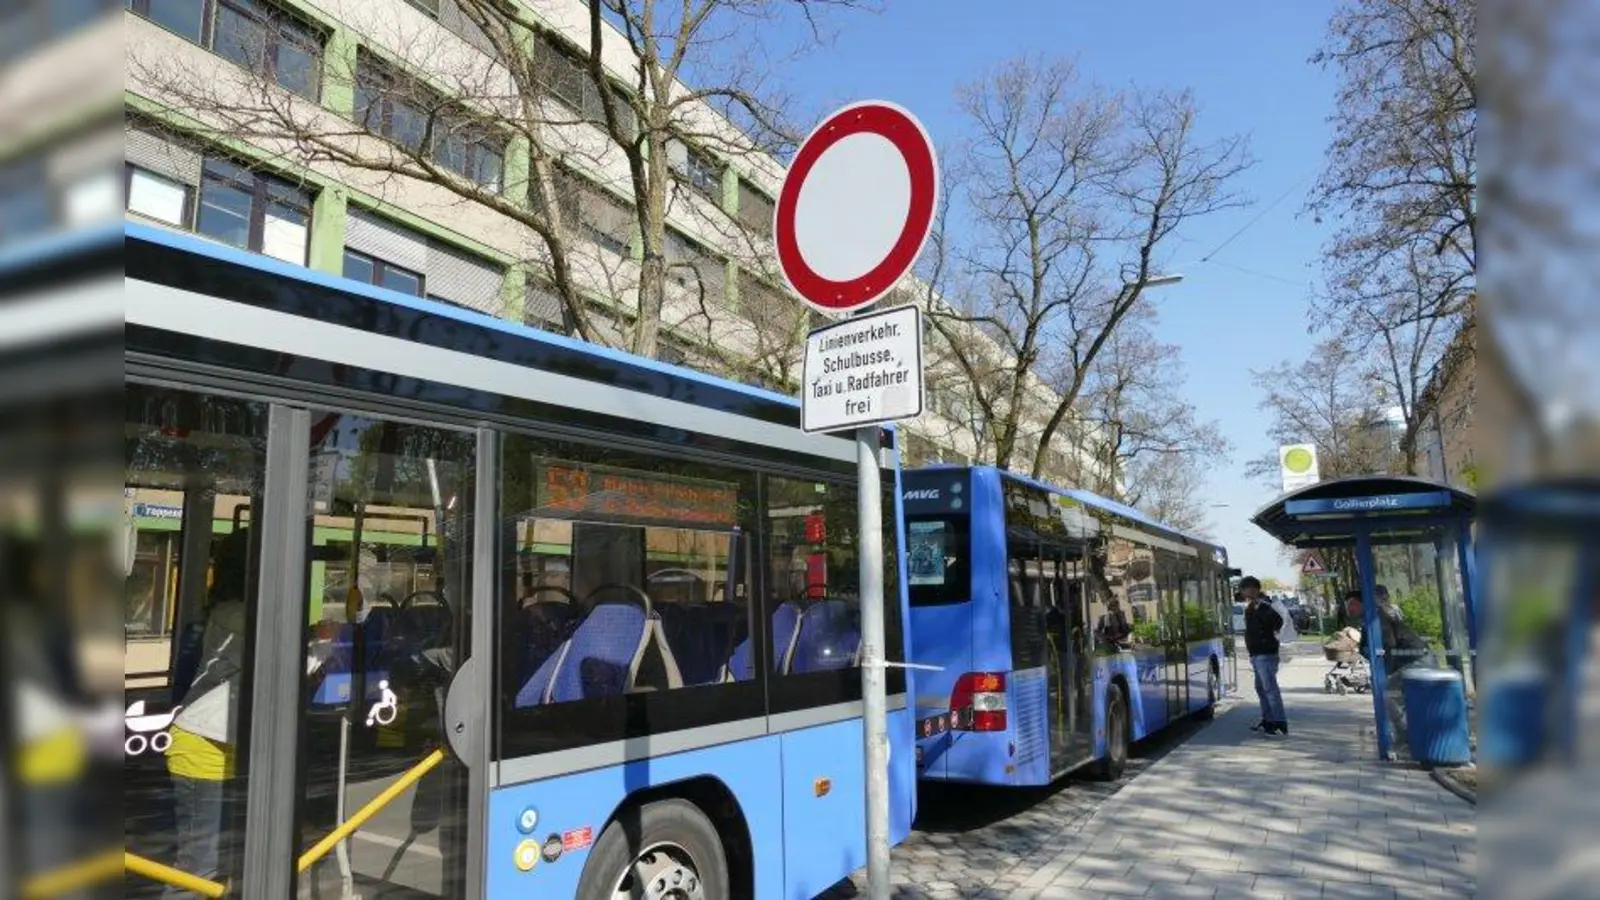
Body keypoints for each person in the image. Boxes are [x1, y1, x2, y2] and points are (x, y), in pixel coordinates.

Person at [1240, 576, 1288, 735]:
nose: (1242, 593)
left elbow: (1277, 624)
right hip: (1256, 654)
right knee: (1261, 688)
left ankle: (1279, 721)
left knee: (1269, 688)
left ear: (1253, 589)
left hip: (1265, 653)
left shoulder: (1266, 606)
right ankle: (1268, 719)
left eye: (1244, 589)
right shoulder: (1251, 607)